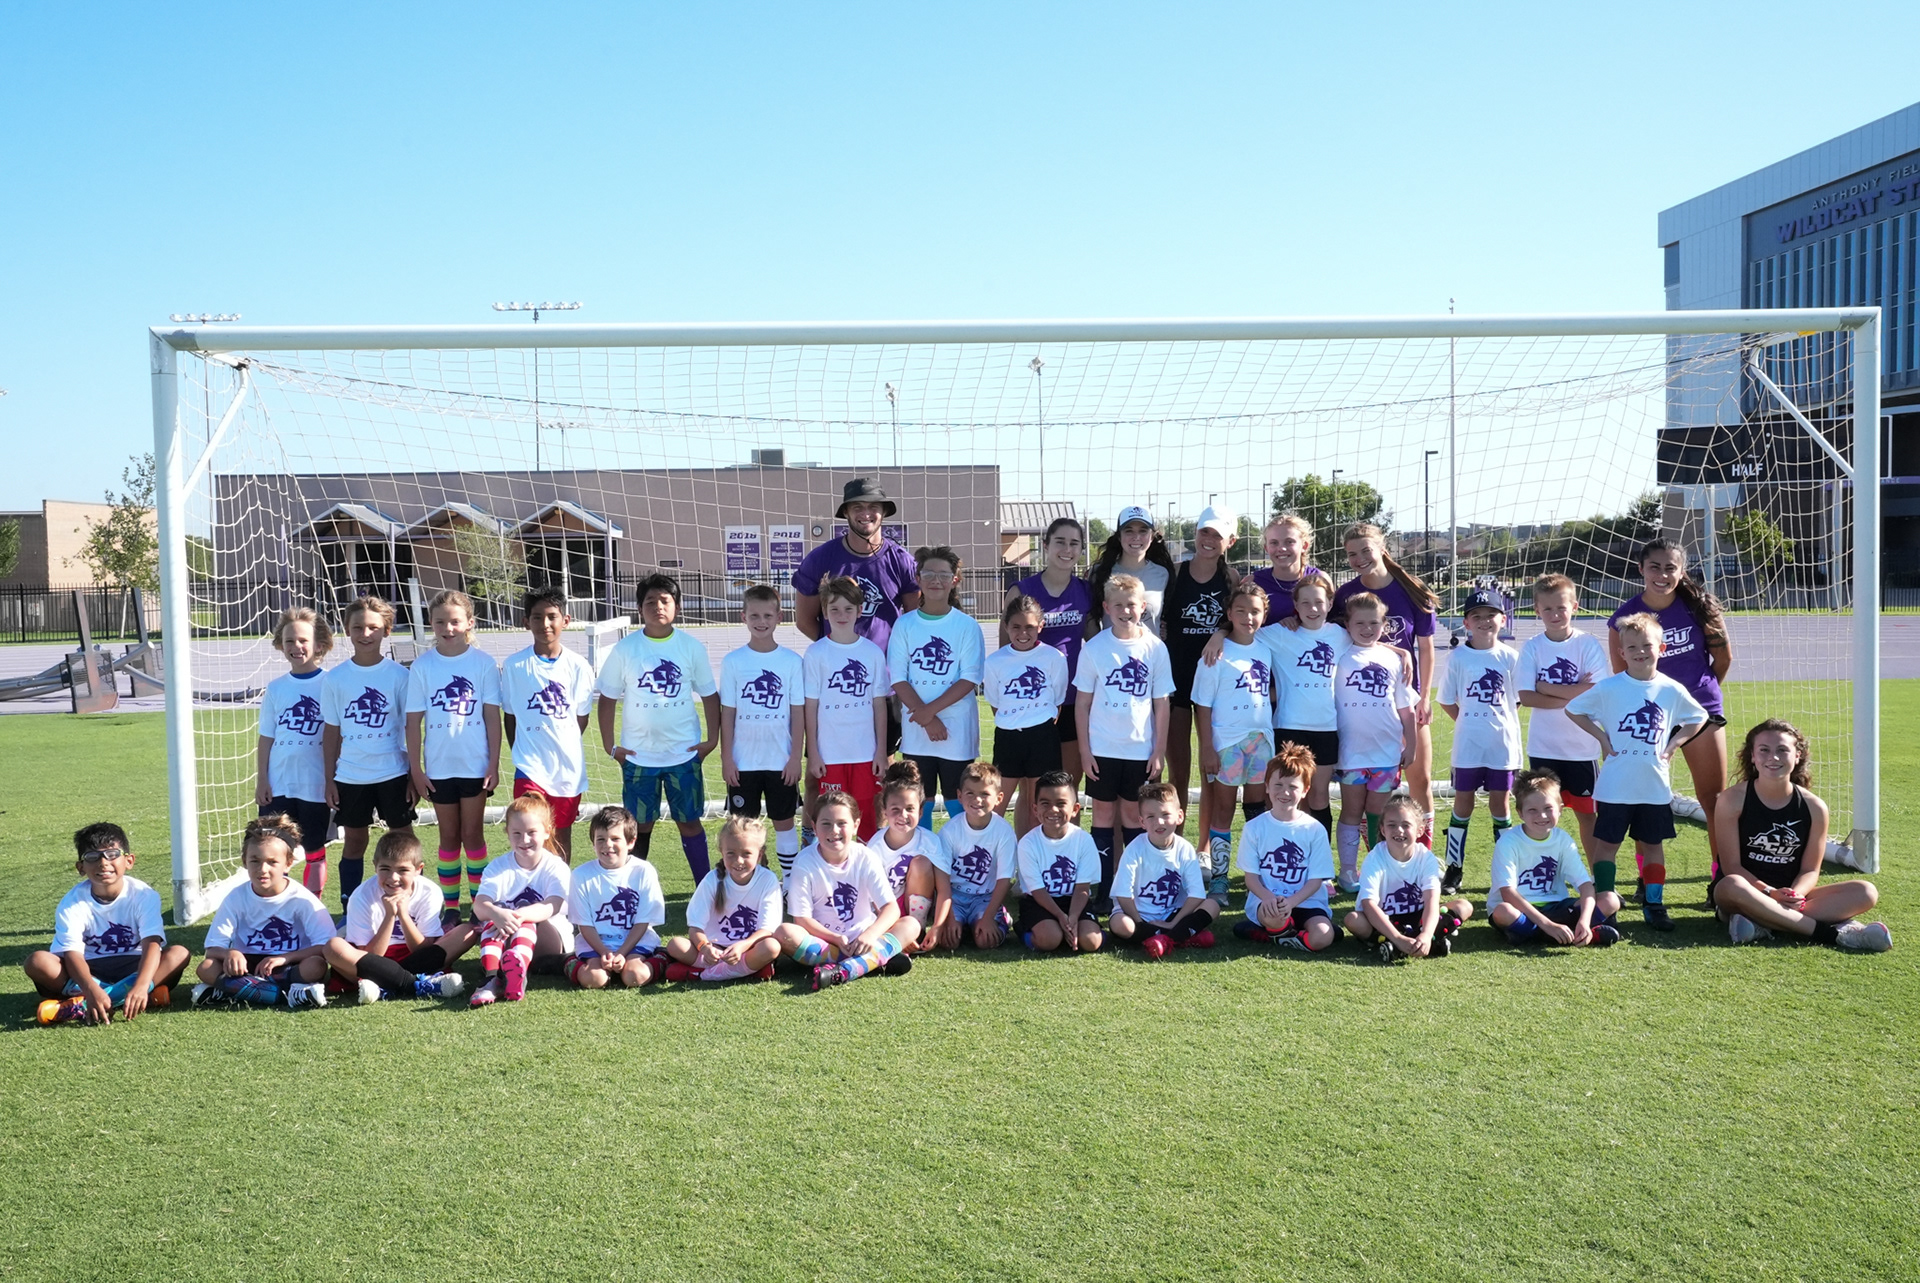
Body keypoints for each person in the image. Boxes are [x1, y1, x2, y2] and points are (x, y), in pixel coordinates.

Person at [1565, 612, 1712, 931]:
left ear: (1661, 648)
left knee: (1653, 845)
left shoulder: (1671, 689)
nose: (1640, 652)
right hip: (1615, 786)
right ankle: (1605, 902)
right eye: (1631, 647)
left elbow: (1698, 717)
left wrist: (1674, 744)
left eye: (1647, 645)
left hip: (1653, 786)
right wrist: (1602, 738)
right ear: (1621, 652)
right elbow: (1573, 709)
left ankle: (1654, 904)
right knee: (1607, 846)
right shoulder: (1610, 687)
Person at [1611, 539, 1734, 886]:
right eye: (1655, 567)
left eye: (1670, 568)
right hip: (1651, 718)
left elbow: (1723, 659)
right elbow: (1623, 676)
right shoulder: (1624, 618)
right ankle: (1648, 880)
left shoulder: (1700, 608)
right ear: (1641, 569)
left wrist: (1699, 695)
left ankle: (1720, 877)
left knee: (1714, 800)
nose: (1662, 575)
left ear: (1681, 571)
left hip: (1701, 713)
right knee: (1645, 801)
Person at [1708, 719, 1890, 951]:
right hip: (1745, 892)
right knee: (1731, 884)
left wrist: (1795, 895)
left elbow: (1810, 870)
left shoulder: (1814, 807)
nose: (1773, 757)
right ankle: (1835, 934)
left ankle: (1763, 923)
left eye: (1782, 750)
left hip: (1792, 897)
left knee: (1865, 891)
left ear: (1797, 756)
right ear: (1752, 756)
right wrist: (1770, 893)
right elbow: (1732, 867)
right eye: (1764, 750)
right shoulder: (1731, 799)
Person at [596, 573, 721, 882]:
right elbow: (607, 698)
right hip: (639, 757)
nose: (658, 607)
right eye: (650, 601)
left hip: (683, 754)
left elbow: (709, 695)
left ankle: (704, 888)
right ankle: (633, 890)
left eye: (665, 600)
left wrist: (711, 740)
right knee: (638, 827)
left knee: (689, 822)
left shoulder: (690, 647)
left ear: (676, 606)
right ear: (640, 608)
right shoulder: (626, 649)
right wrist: (611, 746)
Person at [1331, 523, 1440, 842]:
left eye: (1366, 550)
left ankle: (1422, 853)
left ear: (1382, 548)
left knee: (1420, 780)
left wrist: (1424, 697)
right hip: (1365, 704)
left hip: (1405, 701)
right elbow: (1345, 639)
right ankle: (1375, 856)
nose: (1359, 559)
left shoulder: (1412, 589)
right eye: (1352, 554)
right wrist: (1396, 650)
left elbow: (1426, 648)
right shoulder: (1346, 594)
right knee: (1364, 795)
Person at [1075, 573, 1175, 908]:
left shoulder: (1155, 648)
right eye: (1117, 605)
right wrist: (1085, 751)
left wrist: (1158, 750)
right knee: (1102, 817)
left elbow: (1162, 703)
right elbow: (1082, 704)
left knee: (1135, 818)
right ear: (1106, 608)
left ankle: (1132, 889)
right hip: (1102, 749)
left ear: (1143, 606)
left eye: (1131, 604)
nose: (1125, 611)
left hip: (1139, 750)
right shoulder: (1095, 648)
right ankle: (1104, 891)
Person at [26, 822, 190, 1025]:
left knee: (179, 954)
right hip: (89, 969)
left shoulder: (144, 895)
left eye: (112, 854)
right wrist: (91, 988)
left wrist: (140, 985)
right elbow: (72, 955)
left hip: (135, 966)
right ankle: (137, 997)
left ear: (129, 861)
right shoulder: (71, 903)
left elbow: (152, 944)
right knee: (37, 961)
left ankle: (83, 1005)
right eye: (92, 857)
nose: (103, 863)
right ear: (80, 867)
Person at [406, 589, 503, 918]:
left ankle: (478, 906)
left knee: (472, 835)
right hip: (438, 768)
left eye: (455, 621)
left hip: (475, 766)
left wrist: (493, 763)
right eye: (440, 622)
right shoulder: (422, 666)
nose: (448, 628)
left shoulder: (484, 663)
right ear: (431, 624)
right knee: (448, 837)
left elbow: (492, 717)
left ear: (469, 623)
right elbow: (413, 722)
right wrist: (416, 770)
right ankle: (450, 908)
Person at [321, 594, 414, 910]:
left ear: (386, 630)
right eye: (358, 627)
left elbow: (412, 729)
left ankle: (410, 903)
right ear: (347, 630)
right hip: (351, 775)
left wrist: (413, 775)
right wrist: (329, 779)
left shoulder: (400, 676)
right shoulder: (335, 678)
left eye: (373, 627)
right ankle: (351, 907)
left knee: (402, 841)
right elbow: (331, 731)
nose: (365, 634)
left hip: (393, 773)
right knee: (355, 841)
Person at [778, 791, 922, 990]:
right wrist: (835, 938)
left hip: (865, 937)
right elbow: (802, 920)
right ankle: (873, 960)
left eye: (842, 823)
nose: (834, 830)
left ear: (855, 825)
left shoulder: (866, 857)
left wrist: (870, 934)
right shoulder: (804, 862)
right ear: (814, 826)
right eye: (826, 824)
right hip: (825, 941)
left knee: (911, 925)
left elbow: (890, 908)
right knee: (784, 933)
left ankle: (844, 970)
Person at [192, 815, 337, 1009]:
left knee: (316, 966)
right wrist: (230, 953)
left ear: (288, 863)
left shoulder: (302, 899)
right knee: (206, 967)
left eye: (272, 862)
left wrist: (285, 958)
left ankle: (233, 990)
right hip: (246, 965)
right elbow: (212, 948)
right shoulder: (236, 898)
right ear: (244, 861)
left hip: (287, 964)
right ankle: (291, 994)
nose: (262, 869)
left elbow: (324, 947)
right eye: (255, 861)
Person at [887, 545, 984, 828]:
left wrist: (930, 712)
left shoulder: (967, 626)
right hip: (918, 730)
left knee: (959, 802)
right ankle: (923, 854)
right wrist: (927, 718)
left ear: (955, 579)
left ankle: (961, 854)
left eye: (943, 574)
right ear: (918, 579)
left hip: (957, 730)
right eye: (929, 574)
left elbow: (969, 678)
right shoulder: (904, 625)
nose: (936, 580)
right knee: (919, 802)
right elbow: (898, 678)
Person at [1164, 504, 1240, 860]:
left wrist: (1220, 632)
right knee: (1177, 770)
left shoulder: (1233, 579)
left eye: (1217, 535)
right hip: (1177, 681)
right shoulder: (1175, 574)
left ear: (1230, 541)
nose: (1208, 540)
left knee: (1212, 770)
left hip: (1216, 685)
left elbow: (1242, 622)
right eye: (1204, 532)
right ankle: (1174, 845)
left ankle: (1205, 848)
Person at [500, 586, 598, 862]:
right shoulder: (514, 666)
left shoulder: (579, 666)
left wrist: (560, 738)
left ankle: (559, 887)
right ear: (526, 622)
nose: (545, 623)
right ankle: (529, 883)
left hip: (567, 768)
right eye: (537, 617)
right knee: (528, 830)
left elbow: (581, 717)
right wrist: (522, 749)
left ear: (565, 620)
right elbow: (510, 716)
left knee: (560, 834)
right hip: (530, 765)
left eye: (552, 616)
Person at [1515, 573, 1608, 857]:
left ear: (1575, 607)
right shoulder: (1532, 647)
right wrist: (1574, 694)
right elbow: (1526, 697)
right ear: (1536, 610)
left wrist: (1546, 687)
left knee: (1587, 817)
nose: (1555, 614)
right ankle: (1543, 874)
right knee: (1541, 817)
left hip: (1582, 750)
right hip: (1544, 748)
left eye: (1561, 608)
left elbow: (1596, 693)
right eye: (1548, 609)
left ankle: (1597, 876)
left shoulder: (1587, 644)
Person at [1190, 578, 1272, 899]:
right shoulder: (1215, 655)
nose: (1248, 617)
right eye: (1240, 611)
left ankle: (1258, 877)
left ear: (1264, 614)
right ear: (1229, 614)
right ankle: (1220, 880)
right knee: (1223, 810)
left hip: (1261, 742)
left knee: (1257, 811)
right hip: (1227, 744)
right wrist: (1207, 748)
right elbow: (1203, 704)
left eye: (1255, 611)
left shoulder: (1266, 647)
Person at [1437, 587, 1523, 895]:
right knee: (1463, 803)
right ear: (1466, 622)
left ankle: (1505, 871)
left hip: (1503, 745)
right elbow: (1446, 700)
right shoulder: (1459, 657)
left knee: (1501, 805)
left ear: (1503, 619)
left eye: (1491, 615)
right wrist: (1468, 721)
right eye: (1477, 616)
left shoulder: (1511, 657)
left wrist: (1496, 721)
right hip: (1468, 746)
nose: (1485, 621)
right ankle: (1454, 869)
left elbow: (1517, 700)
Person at [1003, 516, 1091, 809]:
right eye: (1060, 542)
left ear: (1081, 549)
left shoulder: (1085, 591)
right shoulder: (1022, 590)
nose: (1067, 549)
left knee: (1067, 787)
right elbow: (1005, 654)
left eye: (1074, 543)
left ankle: (1068, 838)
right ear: (1045, 546)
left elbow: (1097, 642)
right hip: (1030, 702)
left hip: (1072, 699)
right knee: (1032, 791)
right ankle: (1027, 841)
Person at [719, 583, 807, 876]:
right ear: (743, 617)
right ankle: (749, 881)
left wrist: (795, 758)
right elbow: (728, 714)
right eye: (754, 616)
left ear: (779, 617)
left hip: (780, 761)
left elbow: (798, 713)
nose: (761, 622)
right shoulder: (733, 661)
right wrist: (727, 759)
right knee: (744, 829)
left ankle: (790, 883)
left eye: (768, 615)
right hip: (743, 762)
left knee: (784, 823)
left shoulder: (791, 662)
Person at [321, 829, 470, 1002]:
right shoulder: (361, 896)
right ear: (375, 866)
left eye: (403, 870)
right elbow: (370, 955)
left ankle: (383, 985)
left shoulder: (430, 891)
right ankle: (418, 985)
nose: (393, 878)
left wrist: (403, 915)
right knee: (332, 947)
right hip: (375, 961)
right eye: (385, 868)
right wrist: (390, 916)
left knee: (467, 931)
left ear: (418, 869)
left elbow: (424, 951)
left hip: (415, 957)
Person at [1332, 593, 1418, 892]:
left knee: (1378, 813)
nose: (1367, 629)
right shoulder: (1339, 653)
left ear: (1384, 624)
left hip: (1387, 753)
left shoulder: (1394, 659)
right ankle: (1347, 871)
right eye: (1359, 623)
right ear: (1347, 625)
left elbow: (1406, 709)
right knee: (1351, 810)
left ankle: (1376, 867)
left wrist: (1411, 745)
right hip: (1351, 754)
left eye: (1374, 623)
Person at [1486, 771, 1621, 948]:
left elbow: (1585, 885)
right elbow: (1508, 893)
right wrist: (1548, 925)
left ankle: (1545, 934)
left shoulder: (1563, 840)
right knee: (1503, 912)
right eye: (1532, 810)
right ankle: (1562, 935)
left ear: (1560, 809)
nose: (1542, 816)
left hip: (1557, 907)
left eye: (1548, 808)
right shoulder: (1508, 842)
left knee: (1610, 900)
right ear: (1520, 813)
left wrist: (1584, 920)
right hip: (1520, 910)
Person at [802, 576, 892, 840]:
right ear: (824, 611)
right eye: (835, 609)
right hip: (830, 753)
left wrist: (881, 751)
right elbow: (810, 707)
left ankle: (864, 860)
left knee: (865, 813)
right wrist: (813, 753)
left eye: (848, 609)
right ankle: (831, 861)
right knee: (833, 814)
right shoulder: (816, 653)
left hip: (865, 752)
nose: (841, 615)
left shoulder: (872, 652)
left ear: (860, 610)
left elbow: (879, 705)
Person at [254, 607, 335, 897]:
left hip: (315, 784)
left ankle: (312, 905)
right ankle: (277, 902)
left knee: (314, 848)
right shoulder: (276, 688)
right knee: (274, 848)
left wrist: (332, 780)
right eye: (289, 640)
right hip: (280, 783)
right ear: (280, 644)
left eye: (303, 640)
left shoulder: (331, 683)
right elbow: (266, 738)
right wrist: (262, 780)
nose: (296, 646)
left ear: (320, 644)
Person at [791, 476, 922, 654]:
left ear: (884, 512)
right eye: (857, 507)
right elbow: (804, 621)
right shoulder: (819, 559)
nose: (866, 514)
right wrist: (839, 647)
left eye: (873, 507)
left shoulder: (902, 561)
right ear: (846, 512)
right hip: (836, 663)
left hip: (886, 666)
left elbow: (914, 621)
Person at [467, 794, 576, 1007]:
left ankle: (515, 972)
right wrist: (497, 913)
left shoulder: (556, 867)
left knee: (524, 915)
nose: (524, 840)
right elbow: (479, 906)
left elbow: (552, 905)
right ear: (507, 833)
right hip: (508, 937)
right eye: (516, 833)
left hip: (550, 943)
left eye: (531, 832)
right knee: (495, 912)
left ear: (547, 831)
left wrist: (515, 916)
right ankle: (492, 979)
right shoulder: (498, 866)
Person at [1258, 570, 1344, 836]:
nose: (1312, 608)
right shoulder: (1280, 633)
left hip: (1326, 728)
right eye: (1305, 603)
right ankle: (1285, 847)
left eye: (1319, 602)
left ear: (1330, 603)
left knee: (1318, 795)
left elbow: (1370, 641)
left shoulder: (1341, 635)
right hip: (1289, 727)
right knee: (1288, 796)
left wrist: (1401, 652)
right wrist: (1218, 636)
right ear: (1295, 605)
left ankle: (1320, 854)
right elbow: (1243, 633)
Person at [1232, 744, 1338, 952]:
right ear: (1267, 786)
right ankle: (1285, 931)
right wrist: (1269, 898)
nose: (1285, 792)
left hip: (1307, 901)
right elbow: (1251, 879)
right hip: (1268, 902)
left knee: (1323, 936)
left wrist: (1291, 902)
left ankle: (1272, 935)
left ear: (1305, 790)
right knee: (1274, 918)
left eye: (1293, 786)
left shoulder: (1314, 829)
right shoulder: (1254, 827)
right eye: (1278, 785)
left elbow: (1316, 880)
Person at [1344, 794, 1473, 962]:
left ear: (1420, 830)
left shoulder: (1425, 857)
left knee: (1464, 906)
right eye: (1392, 825)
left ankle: (1412, 943)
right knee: (1353, 920)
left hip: (1419, 917)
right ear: (1383, 829)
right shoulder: (1375, 858)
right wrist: (1398, 938)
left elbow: (1431, 900)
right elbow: (1369, 905)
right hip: (1385, 918)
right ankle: (1401, 942)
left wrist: (1426, 934)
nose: (1399, 830)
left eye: (1406, 825)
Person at [983, 595, 1069, 835]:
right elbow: (995, 702)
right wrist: (1015, 720)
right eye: (1016, 627)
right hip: (1008, 738)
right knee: (996, 804)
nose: (1023, 633)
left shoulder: (1054, 658)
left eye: (1030, 627)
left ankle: (1032, 857)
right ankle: (994, 855)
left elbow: (1057, 699)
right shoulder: (995, 661)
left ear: (1040, 626)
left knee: (1038, 805)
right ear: (1006, 626)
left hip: (1042, 737)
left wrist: (1034, 720)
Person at [664, 815, 786, 982]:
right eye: (731, 854)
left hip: (747, 949)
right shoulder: (711, 880)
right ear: (722, 852)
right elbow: (695, 927)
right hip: (713, 950)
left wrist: (743, 945)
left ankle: (703, 975)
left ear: (759, 854)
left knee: (771, 947)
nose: (738, 861)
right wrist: (705, 947)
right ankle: (744, 970)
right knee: (676, 945)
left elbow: (767, 930)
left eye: (746, 854)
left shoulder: (768, 880)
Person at [1108, 781, 1220, 958]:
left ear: (1180, 816)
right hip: (1137, 915)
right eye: (1151, 817)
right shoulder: (1134, 849)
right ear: (1142, 821)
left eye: (1166, 814)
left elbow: (1197, 895)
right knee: (1119, 924)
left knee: (1212, 905)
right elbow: (1123, 894)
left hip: (1173, 915)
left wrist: (1173, 923)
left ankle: (1162, 938)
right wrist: (1140, 922)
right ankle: (1181, 936)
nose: (1159, 822)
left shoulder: (1184, 849)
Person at [566, 803, 667, 990]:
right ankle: (567, 962)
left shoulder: (643, 871)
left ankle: (662, 958)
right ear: (593, 842)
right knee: (595, 979)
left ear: (631, 842)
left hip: (635, 941)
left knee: (634, 976)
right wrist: (604, 951)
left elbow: (643, 921)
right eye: (601, 839)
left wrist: (622, 953)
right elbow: (584, 924)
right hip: (596, 943)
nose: (608, 845)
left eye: (615, 838)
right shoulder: (581, 875)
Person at [928, 761, 1018, 950]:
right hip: (955, 896)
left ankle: (997, 917)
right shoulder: (950, 831)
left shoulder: (1004, 832)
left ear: (999, 798)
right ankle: (963, 923)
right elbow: (942, 879)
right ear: (959, 796)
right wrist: (949, 918)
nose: (977, 800)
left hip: (986, 896)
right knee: (948, 942)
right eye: (970, 793)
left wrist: (988, 917)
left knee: (985, 941)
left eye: (985, 794)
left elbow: (1004, 879)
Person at [1012, 770, 1105, 953]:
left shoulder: (1084, 840)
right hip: (1039, 901)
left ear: (1075, 809)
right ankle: (1025, 931)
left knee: (1091, 942)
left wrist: (1073, 917)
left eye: (1061, 804)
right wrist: (1061, 917)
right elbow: (1037, 890)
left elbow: (1082, 888)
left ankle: (1079, 932)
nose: (1053, 810)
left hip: (1075, 900)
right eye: (1045, 803)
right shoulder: (1028, 843)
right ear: (1035, 809)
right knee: (1050, 939)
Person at [873, 760, 941, 951]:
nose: (903, 815)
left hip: (915, 905)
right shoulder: (874, 847)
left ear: (921, 810)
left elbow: (944, 889)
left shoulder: (930, 841)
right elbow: (870, 895)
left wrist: (939, 926)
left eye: (910, 809)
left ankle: (917, 929)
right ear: (884, 811)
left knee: (921, 863)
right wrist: (890, 925)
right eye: (895, 809)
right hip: (884, 909)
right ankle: (898, 936)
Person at [1085, 504, 1175, 639]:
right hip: (1111, 651)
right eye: (1129, 531)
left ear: (1152, 537)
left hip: (1149, 651)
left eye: (1143, 531)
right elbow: (1090, 618)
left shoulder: (1163, 574)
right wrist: (1098, 646)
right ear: (1119, 536)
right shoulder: (1100, 573)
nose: (1136, 537)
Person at [1248, 513, 1324, 622]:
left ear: (1304, 545)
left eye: (1289, 542)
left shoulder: (1320, 579)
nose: (1281, 548)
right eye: (1274, 543)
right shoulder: (1253, 582)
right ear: (1266, 548)